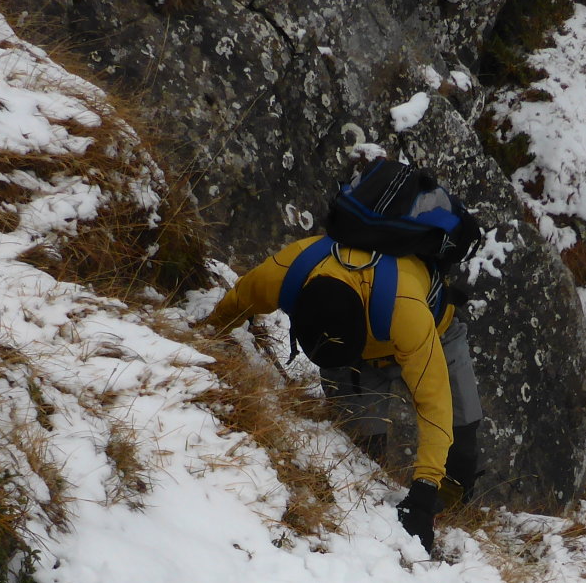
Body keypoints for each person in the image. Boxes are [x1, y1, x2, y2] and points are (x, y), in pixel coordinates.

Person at [205, 158, 482, 553]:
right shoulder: (292, 270)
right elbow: (237, 302)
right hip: (354, 359)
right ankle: (385, 484)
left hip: (437, 334)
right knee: (359, 452)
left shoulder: (404, 309)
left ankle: (459, 512)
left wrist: (423, 493)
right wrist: (204, 337)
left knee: (461, 436)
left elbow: (434, 404)